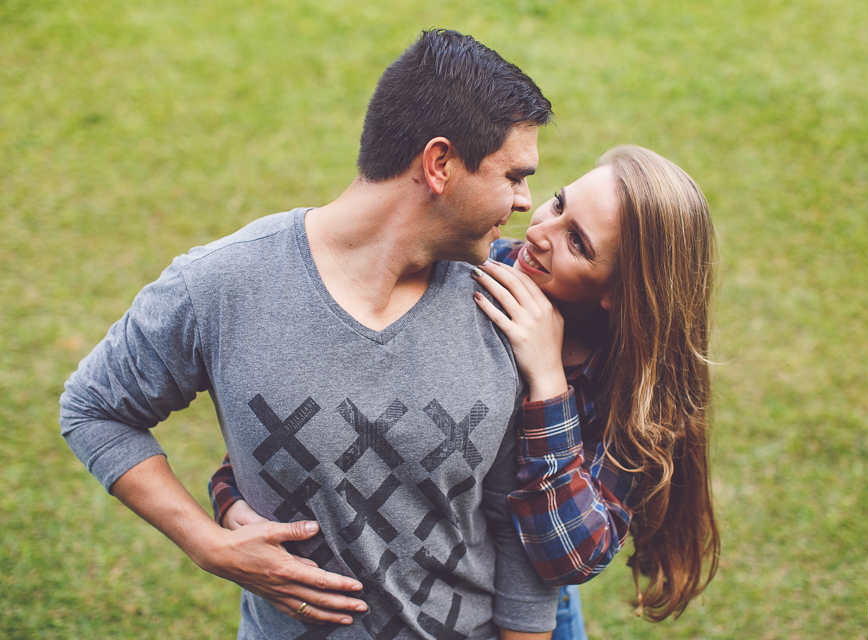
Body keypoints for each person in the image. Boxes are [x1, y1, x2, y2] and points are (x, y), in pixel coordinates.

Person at [59, 29, 561, 640]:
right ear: (440, 164)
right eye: (513, 175)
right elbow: (94, 409)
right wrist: (206, 543)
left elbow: (519, 518)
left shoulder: (508, 307)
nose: (523, 202)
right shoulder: (223, 284)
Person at [209, 145, 722, 640]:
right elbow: (338, 413)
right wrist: (232, 495)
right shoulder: (472, 279)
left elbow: (573, 554)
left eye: (577, 243)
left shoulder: (637, 391)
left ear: (619, 291)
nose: (540, 232)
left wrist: (548, 384)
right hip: (445, 587)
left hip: (539, 600)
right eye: (560, 203)